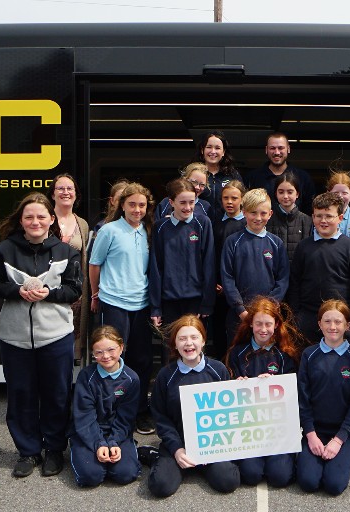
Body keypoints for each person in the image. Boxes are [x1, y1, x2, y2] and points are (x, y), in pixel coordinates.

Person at [0, 192, 82, 479]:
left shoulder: (66, 252)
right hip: (14, 337)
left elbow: (74, 290)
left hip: (56, 335)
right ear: (21, 220)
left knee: (56, 394)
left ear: (51, 219)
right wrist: (15, 291)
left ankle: (54, 449)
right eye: (29, 216)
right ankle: (28, 451)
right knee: (21, 395)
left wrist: (49, 294)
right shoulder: (3, 250)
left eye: (41, 216)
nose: (35, 221)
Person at [89, 182, 157, 435]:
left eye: (141, 205)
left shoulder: (148, 230)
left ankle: (138, 410)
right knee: (113, 358)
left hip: (141, 303)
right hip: (114, 301)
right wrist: (96, 294)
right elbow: (94, 264)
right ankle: (112, 411)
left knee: (142, 359)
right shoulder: (109, 230)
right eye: (132, 204)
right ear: (122, 206)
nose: (137, 209)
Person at [148, 315, 240, 498]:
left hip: (211, 444)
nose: (188, 343)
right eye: (182, 339)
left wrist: (211, 450)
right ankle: (153, 456)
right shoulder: (166, 375)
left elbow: (227, 412)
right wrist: (176, 449)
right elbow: (161, 417)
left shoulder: (218, 369)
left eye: (194, 337)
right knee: (161, 486)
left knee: (229, 481)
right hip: (177, 443)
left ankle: (202, 465)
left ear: (203, 341)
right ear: (174, 344)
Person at [224, 296, 301, 487]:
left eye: (268, 324)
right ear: (250, 324)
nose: (263, 329)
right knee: (251, 475)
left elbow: (294, 392)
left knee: (279, 477)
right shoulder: (237, 353)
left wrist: (277, 385)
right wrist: (237, 385)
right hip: (249, 428)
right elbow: (227, 393)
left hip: (278, 428)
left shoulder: (285, 354)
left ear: (276, 325)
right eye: (258, 324)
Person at [295, 299, 350, 496]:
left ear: (347, 326)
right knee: (309, 482)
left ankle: (337, 456)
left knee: (334, 486)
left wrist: (339, 440)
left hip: (341, 433)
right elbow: (303, 399)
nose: (332, 327)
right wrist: (310, 434)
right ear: (319, 324)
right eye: (327, 321)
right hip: (314, 432)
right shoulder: (309, 356)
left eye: (338, 322)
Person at [286, 192, 350, 343]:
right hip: (307, 320)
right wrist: (296, 316)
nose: (323, 220)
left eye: (329, 216)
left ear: (340, 218)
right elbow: (295, 283)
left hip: (340, 321)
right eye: (318, 216)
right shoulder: (303, 246)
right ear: (313, 217)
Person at [70, 325, 142, 487]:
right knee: (91, 476)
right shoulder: (86, 377)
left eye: (111, 349)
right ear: (93, 354)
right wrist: (99, 443)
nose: (106, 356)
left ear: (121, 347)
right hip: (88, 431)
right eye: (99, 352)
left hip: (117, 432)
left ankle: (128, 450)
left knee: (125, 474)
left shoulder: (131, 379)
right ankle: (81, 450)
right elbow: (84, 416)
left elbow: (126, 417)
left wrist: (114, 442)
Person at [220, 188, 289, 344]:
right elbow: (227, 278)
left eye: (263, 213)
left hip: (268, 316)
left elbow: (283, 279)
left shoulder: (276, 243)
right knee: (238, 356)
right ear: (244, 212)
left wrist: (268, 308)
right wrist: (241, 310)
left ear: (270, 214)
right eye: (253, 213)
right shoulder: (233, 242)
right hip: (239, 316)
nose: (258, 218)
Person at [148, 178, 216, 330]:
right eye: (182, 203)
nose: (188, 207)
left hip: (195, 301)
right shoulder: (160, 227)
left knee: (193, 347)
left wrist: (207, 303)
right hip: (169, 301)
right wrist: (156, 307)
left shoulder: (203, 223)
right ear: (171, 202)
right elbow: (156, 267)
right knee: (170, 350)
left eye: (191, 202)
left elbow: (209, 263)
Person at [49, 174, 92, 364]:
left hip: (75, 293)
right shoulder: (45, 219)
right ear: (52, 194)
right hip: (48, 289)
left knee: (71, 341)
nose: (65, 192)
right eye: (60, 188)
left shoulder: (82, 223)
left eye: (70, 189)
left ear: (76, 194)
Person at [209, 179, 248, 359]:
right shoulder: (215, 223)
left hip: (239, 289)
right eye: (226, 198)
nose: (230, 202)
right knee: (219, 332)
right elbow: (211, 256)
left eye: (234, 198)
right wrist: (216, 282)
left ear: (242, 199)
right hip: (218, 289)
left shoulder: (247, 225)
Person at [244, 132, 316, 213]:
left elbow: (310, 210)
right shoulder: (252, 178)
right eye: (272, 148)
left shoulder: (303, 178)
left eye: (281, 148)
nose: (277, 152)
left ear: (288, 149)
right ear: (266, 150)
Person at [191, 130, 242, 220]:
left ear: (223, 152)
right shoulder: (193, 174)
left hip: (226, 227)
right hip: (198, 226)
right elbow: (179, 196)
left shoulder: (232, 175)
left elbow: (243, 201)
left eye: (217, 148)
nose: (213, 151)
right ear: (202, 150)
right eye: (209, 147)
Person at [266, 172, 313, 267]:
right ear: (275, 193)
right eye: (281, 192)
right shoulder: (268, 219)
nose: (285, 196)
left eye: (290, 192)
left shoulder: (307, 221)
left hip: (299, 275)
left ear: (297, 194)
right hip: (273, 274)